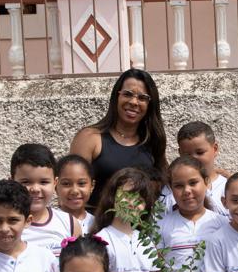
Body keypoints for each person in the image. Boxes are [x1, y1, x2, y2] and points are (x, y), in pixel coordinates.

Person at [71, 69, 166, 209]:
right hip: (95, 224)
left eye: (142, 97)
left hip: (138, 226)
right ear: (116, 97)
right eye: (127, 94)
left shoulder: (152, 141)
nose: (134, 102)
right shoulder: (91, 138)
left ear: (149, 104)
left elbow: (163, 181)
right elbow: (71, 186)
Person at [8, 143, 71, 259]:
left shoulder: (69, 223)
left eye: (43, 182)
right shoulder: (2, 227)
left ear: (55, 183)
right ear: (11, 181)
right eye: (26, 182)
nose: (35, 189)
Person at [160, 121, 230, 216]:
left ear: (215, 149)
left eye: (200, 152)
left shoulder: (229, 188)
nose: (193, 158)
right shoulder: (170, 191)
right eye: (187, 154)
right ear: (180, 153)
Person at [55, 153, 95, 236]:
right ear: (55, 186)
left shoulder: (97, 225)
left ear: (92, 186)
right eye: (66, 184)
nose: (74, 191)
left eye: (81, 183)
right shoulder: (51, 222)